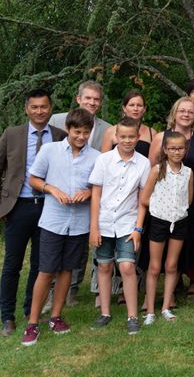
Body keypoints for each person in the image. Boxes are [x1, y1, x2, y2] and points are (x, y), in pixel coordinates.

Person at [20, 109, 100, 346]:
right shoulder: (50, 150)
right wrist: (52, 190)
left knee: (67, 271)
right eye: (77, 131)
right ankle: (33, 323)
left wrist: (88, 192)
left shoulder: (96, 157)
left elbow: (98, 188)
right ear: (68, 128)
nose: (81, 137)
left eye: (86, 132)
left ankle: (56, 317)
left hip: (78, 224)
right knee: (46, 271)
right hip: (53, 221)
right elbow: (33, 179)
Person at [0, 89, 66, 338]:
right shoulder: (12, 134)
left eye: (44, 107)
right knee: (12, 265)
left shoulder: (60, 136)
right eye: (35, 107)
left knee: (41, 265)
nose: (40, 111)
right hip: (19, 206)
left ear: (50, 108)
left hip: (49, 207)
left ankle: (31, 311)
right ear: (27, 109)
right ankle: (7, 316)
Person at [47, 80, 111, 305]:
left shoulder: (107, 128)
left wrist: (91, 190)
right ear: (78, 99)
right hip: (57, 194)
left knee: (80, 245)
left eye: (96, 99)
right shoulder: (57, 120)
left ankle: (72, 289)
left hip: (88, 194)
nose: (92, 103)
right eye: (88, 98)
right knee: (53, 244)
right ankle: (51, 290)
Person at [89, 117, 151, 335]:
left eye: (131, 137)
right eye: (122, 137)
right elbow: (96, 195)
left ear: (138, 137)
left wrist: (138, 228)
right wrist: (94, 227)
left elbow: (143, 199)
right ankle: (105, 312)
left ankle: (132, 316)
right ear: (115, 137)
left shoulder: (143, 163)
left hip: (127, 223)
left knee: (126, 266)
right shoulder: (104, 160)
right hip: (104, 222)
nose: (126, 141)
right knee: (104, 266)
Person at [97, 90, 156, 308]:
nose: (136, 108)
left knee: (130, 256)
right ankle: (102, 295)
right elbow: (102, 163)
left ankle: (128, 292)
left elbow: (148, 170)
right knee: (104, 257)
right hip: (110, 205)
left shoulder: (151, 133)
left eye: (140, 105)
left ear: (144, 109)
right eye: (132, 104)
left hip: (134, 202)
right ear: (124, 107)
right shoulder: (112, 132)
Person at [149, 97, 194, 298]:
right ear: (174, 113)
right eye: (182, 111)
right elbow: (151, 169)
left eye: (190, 112)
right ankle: (171, 287)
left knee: (190, 238)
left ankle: (190, 278)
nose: (186, 114)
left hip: (191, 196)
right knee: (166, 240)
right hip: (165, 199)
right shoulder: (160, 138)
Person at [139, 131, 193, 325]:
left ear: (186, 149)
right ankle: (151, 310)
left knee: (171, 265)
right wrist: (159, 209)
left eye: (180, 148)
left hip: (179, 221)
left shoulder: (188, 172)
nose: (177, 152)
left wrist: (178, 211)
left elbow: (189, 198)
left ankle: (166, 308)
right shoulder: (157, 170)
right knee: (154, 267)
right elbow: (144, 198)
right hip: (159, 221)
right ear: (165, 149)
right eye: (172, 148)